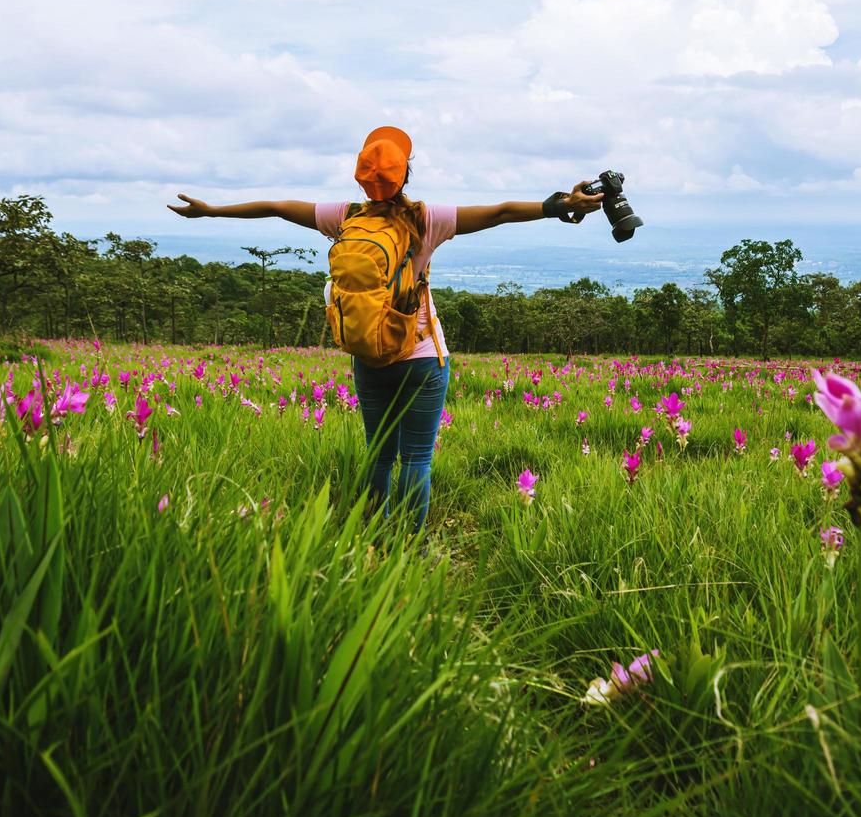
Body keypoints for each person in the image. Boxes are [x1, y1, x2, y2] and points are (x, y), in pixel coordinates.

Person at [168, 125, 604, 532]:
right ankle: (410, 544)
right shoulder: (427, 219)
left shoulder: (343, 217)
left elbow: (276, 208)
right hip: (421, 358)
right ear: (406, 175)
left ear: (361, 180)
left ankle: (376, 535)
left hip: (368, 356)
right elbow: (502, 212)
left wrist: (211, 212)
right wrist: (563, 204)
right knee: (416, 458)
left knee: (379, 454)